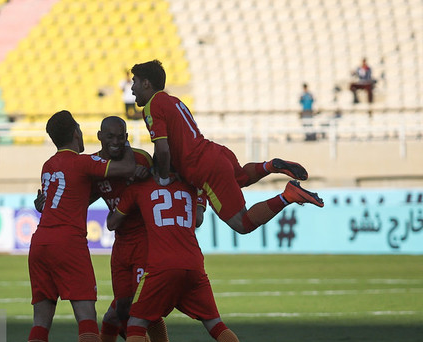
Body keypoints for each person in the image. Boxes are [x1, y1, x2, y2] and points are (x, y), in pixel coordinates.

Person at [47, 116, 182, 342]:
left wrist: (197, 205)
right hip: (121, 246)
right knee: (118, 315)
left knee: (132, 310)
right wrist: (46, 203)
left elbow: (175, 180)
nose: (116, 141)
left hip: (148, 242)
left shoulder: (143, 159)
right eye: (111, 137)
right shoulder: (96, 168)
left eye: (121, 136)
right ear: (100, 137)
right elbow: (77, 198)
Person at [107, 171, 265, 342]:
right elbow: (198, 219)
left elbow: (112, 223)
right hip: (193, 265)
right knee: (216, 324)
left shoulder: (138, 188)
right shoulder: (193, 185)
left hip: (162, 267)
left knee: (135, 323)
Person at [130, 59, 324, 237]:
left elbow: (162, 149)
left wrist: (162, 179)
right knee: (241, 177)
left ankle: (287, 196)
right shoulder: (174, 101)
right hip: (215, 153)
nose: (132, 89)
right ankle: (270, 166)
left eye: (135, 82)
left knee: (243, 224)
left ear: (147, 83)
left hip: (204, 168)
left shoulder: (152, 105)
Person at [25, 110, 136, 342]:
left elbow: (55, 198)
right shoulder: (84, 163)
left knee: (41, 318)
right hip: (67, 242)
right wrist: (124, 146)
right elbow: (126, 167)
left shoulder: (48, 165)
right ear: (76, 132)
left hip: (40, 242)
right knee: (86, 315)